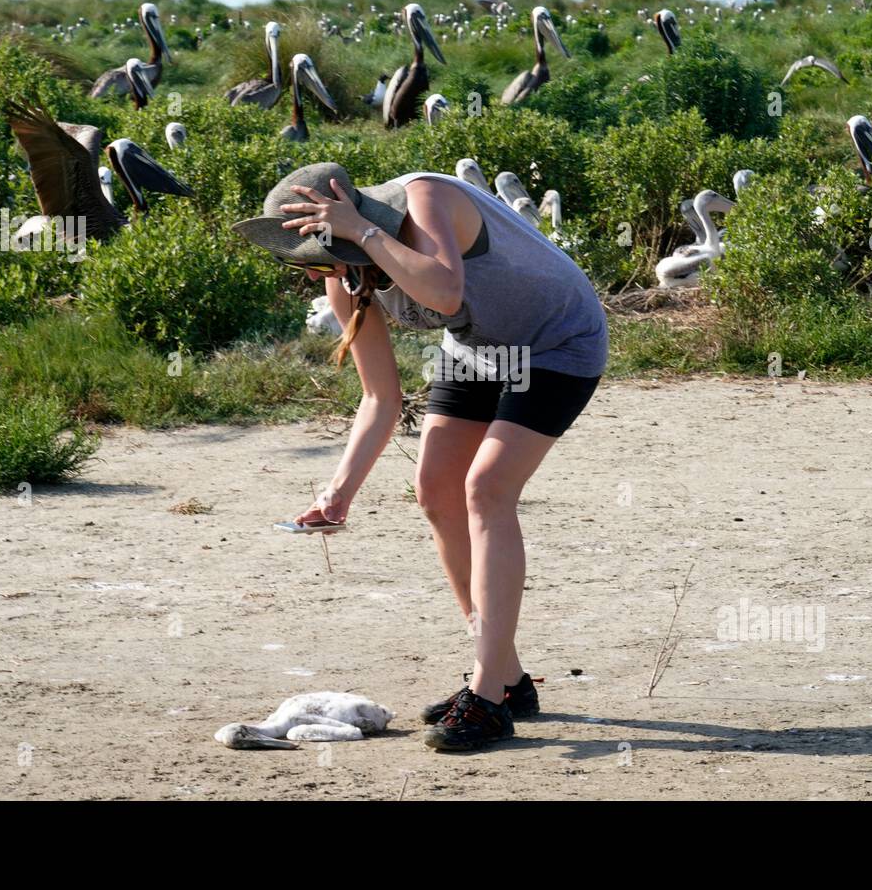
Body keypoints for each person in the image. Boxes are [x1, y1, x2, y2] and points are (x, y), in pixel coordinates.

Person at [233, 161, 607, 751]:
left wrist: (366, 233)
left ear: (343, 222)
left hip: (558, 338)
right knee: (435, 492)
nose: (314, 275)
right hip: (478, 347)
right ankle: (507, 676)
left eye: (316, 255)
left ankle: (486, 700)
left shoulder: (426, 197)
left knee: (486, 489)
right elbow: (380, 398)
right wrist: (337, 494)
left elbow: (444, 290)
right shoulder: (347, 274)